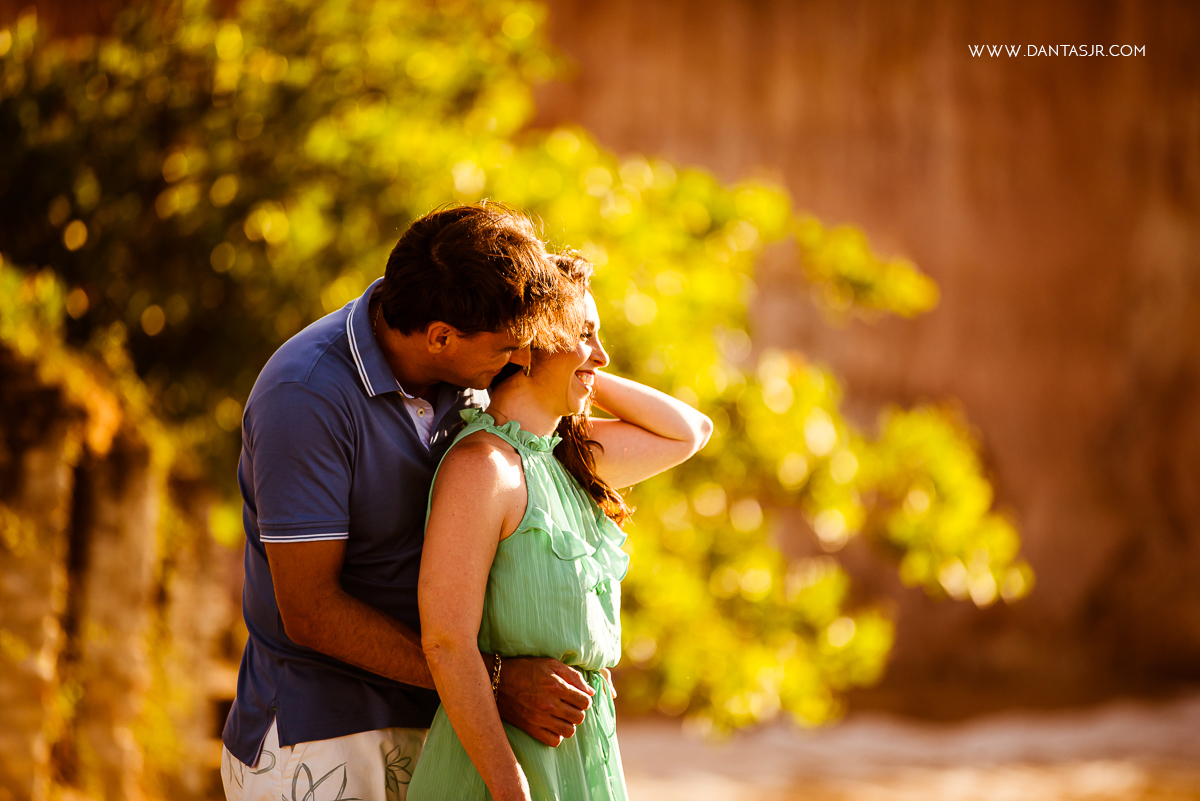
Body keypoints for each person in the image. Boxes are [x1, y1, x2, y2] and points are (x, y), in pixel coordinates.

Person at [222, 204, 608, 801]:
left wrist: (579, 351)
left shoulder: (464, 359)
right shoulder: (305, 397)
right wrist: (495, 685)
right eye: (510, 346)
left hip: (443, 720)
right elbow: (309, 610)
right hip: (325, 739)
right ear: (440, 337)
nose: (519, 359)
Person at [408, 253, 713, 801]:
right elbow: (447, 642)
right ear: (526, 343)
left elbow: (691, 431)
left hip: (582, 757)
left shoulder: (568, 458)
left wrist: (580, 366)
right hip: (505, 767)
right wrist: (508, 785)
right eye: (586, 334)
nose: (604, 354)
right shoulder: (483, 468)